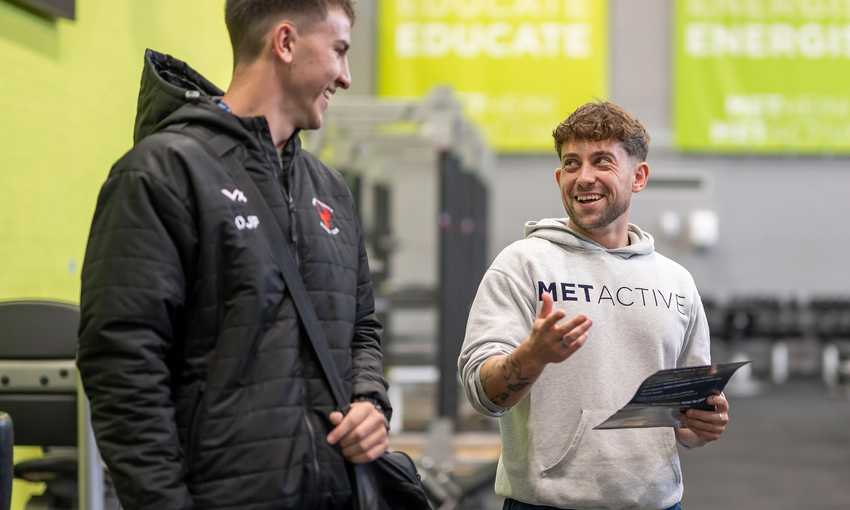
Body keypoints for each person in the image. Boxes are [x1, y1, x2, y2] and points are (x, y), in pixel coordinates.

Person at [77, 2, 391, 509]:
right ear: (285, 43)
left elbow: (362, 330)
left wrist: (370, 403)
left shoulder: (329, 190)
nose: (347, 77)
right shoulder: (160, 174)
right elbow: (122, 367)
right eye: (339, 51)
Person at [458, 101, 730, 510]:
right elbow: (482, 394)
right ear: (558, 176)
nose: (584, 178)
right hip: (546, 504)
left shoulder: (676, 283)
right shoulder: (523, 264)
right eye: (571, 164)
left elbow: (686, 422)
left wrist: (703, 423)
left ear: (638, 176)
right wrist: (531, 358)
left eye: (601, 161)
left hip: (657, 503)